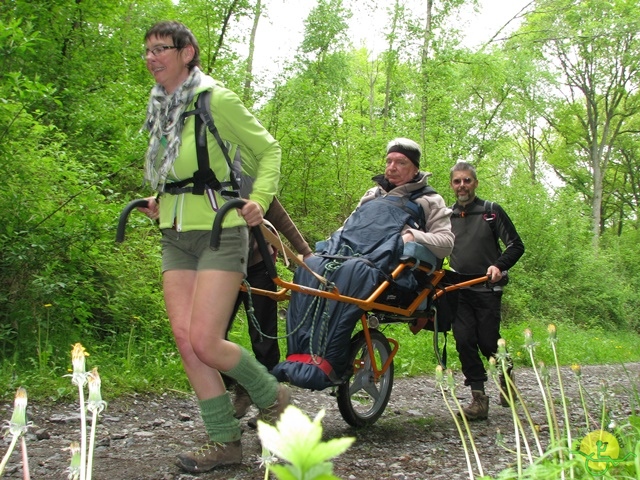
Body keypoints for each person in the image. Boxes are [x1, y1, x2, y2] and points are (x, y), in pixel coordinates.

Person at [136, 21, 289, 473]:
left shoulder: (215, 99)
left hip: (221, 230)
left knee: (206, 340)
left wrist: (258, 200)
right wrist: (159, 200)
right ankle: (224, 442)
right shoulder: (159, 106)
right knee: (187, 342)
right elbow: (176, 170)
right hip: (175, 233)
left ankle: (273, 396)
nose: (151, 58)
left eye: (161, 49)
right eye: (147, 51)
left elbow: (269, 150)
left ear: (188, 53)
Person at [272, 137, 455, 390]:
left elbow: (446, 242)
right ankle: (298, 358)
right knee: (310, 268)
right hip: (353, 257)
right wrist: (323, 249)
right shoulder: (371, 195)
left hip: (392, 270)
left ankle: (329, 362)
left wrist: (414, 236)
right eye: (389, 161)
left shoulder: (430, 200)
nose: (391, 167)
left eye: (400, 162)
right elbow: (347, 229)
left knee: (353, 271)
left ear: (415, 169)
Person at [448, 161, 525, 421]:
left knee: (487, 342)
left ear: (475, 183)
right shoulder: (446, 216)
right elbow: (436, 247)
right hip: (459, 288)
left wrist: (498, 266)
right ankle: (478, 399)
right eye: (457, 181)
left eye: (467, 180)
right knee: (464, 340)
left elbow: (516, 245)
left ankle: (507, 376)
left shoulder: (490, 212)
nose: (462, 186)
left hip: (487, 287)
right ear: (452, 185)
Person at [224, 196, 312, 420]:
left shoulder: (250, 178)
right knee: (210, 336)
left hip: (257, 262)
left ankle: (270, 404)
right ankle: (243, 386)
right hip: (220, 268)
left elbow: (278, 215)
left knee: (264, 337)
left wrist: (305, 252)